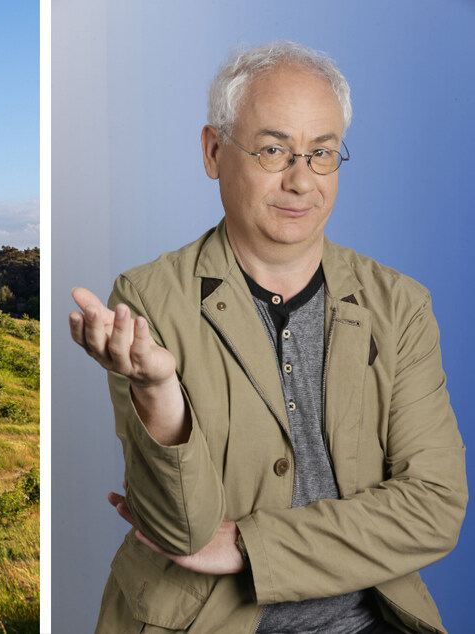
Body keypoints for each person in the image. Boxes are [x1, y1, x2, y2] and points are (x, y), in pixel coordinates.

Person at [68, 41, 466, 634]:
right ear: (213, 151)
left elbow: (434, 507)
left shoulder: (401, 306)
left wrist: (249, 548)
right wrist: (158, 393)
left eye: (322, 153)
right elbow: (181, 531)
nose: (301, 181)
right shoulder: (150, 298)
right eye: (274, 150)